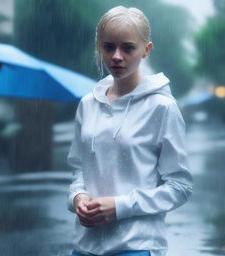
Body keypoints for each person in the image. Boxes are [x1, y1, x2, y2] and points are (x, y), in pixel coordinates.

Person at [67, 5, 193, 256]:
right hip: (85, 246)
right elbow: (80, 169)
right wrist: (78, 198)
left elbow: (180, 186)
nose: (116, 56)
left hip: (136, 245)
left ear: (146, 50)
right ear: (99, 48)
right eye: (108, 47)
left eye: (127, 47)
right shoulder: (87, 104)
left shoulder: (162, 107)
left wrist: (120, 206)